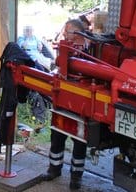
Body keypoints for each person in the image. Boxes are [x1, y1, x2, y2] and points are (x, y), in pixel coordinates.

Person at [41, 19, 88, 190]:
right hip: (62, 100)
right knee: (57, 136)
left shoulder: (88, 49)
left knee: (79, 141)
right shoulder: (66, 46)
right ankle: (54, 168)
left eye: (66, 32)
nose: (63, 35)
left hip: (80, 103)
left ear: (76, 34)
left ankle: (76, 176)